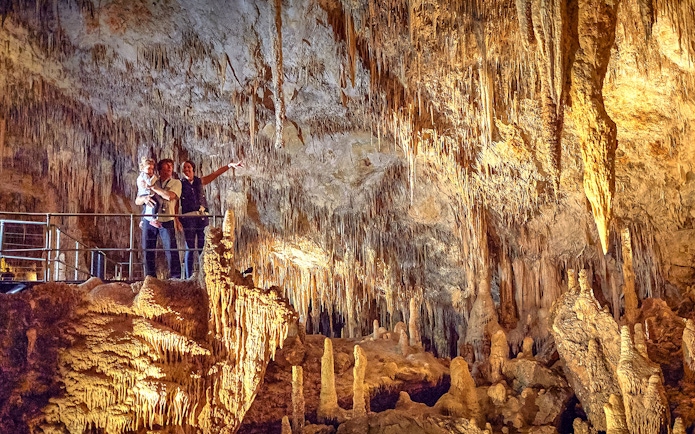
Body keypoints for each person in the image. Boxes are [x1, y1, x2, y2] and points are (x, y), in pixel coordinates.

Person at [179, 159, 243, 278]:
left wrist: (229, 165)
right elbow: (176, 202)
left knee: (203, 246)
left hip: (202, 217)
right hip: (188, 218)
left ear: (193, 169)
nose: (187, 170)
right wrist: (177, 219)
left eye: (188, 167)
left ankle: (203, 274)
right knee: (190, 247)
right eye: (184, 168)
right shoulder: (180, 183)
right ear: (182, 171)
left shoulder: (199, 181)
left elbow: (215, 174)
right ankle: (188, 277)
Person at [136, 158, 182, 279]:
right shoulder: (151, 180)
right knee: (148, 249)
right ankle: (150, 277)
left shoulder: (176, 183)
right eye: (166, 166)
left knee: (171, 250)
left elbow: (169, 196)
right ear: (160, 170)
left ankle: (176, 277)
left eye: (171, 166)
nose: (169, 168)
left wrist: (152, 187)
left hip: (166, 220)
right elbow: (138, 200)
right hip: (149, 220)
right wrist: (145, 199)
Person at [136, 157, 161, 228]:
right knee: (156, 204)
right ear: (142, 168)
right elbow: (149, 183)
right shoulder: (144, 175)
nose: (150, 171)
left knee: (145, 207)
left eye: (152, 169)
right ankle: (153, 219)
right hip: (146, 194)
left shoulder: (142, 175)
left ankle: (142, 220)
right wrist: (155, 177)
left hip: (143, 193)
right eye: (148, 168)